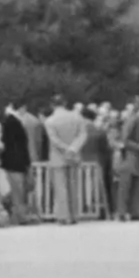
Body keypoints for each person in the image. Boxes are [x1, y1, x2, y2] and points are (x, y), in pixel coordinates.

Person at [44, 95, 87, 226]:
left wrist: (65, 148)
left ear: (52, 105)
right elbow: (83, 134)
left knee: (60, 187)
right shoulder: (77, 117)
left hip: (58, 156)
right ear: (65, 103)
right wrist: (73, 148)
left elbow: (54, 139)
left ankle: (63, 216)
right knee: (73, 186)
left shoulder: (50, 120)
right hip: (74, 155)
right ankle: (74, 215)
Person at [0, 102, 31, 225]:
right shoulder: (13, 122)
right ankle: (19, 215)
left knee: (18, 188)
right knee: (18, 189)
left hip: (12, 161)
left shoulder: (9, 122)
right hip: (15, 161)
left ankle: (15, 210)